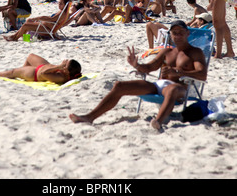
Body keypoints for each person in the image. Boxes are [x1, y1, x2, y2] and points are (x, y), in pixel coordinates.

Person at [69, 20, 207, 131]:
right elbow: (149, 68)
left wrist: (178, 72)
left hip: (179, 88)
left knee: (172, 90)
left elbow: (202, 75)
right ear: (170, 35)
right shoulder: (166, 51)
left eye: (181, 32)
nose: (177, 35)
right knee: (119, 85)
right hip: (158, 86)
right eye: (174, 33)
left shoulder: (195, 52)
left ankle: (158, 122)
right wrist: (136, 65)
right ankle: (89, 117)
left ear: (188, 33)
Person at [0, 53, 81, 84]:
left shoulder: (61, 78)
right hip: (44, 66)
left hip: (34, 74)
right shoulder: (64, 72)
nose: (63, 64)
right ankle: (21, 70)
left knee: (13, 71)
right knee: (30, 56)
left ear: (68, 72)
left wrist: (58, 66)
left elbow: (43, 73)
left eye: (65, 65)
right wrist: (59, 67)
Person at [3, 0, 69, 41]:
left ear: (65, 5)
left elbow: (51, 19)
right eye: (59, 3)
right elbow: (52, 19)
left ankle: (14, 38)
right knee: (28, 21)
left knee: (26, 25)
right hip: (47, 26)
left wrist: (38, 18)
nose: (59, 5)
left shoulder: (62, 13)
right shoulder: (62, 11)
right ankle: (14, 36)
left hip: (47, 29)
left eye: (61, 3)